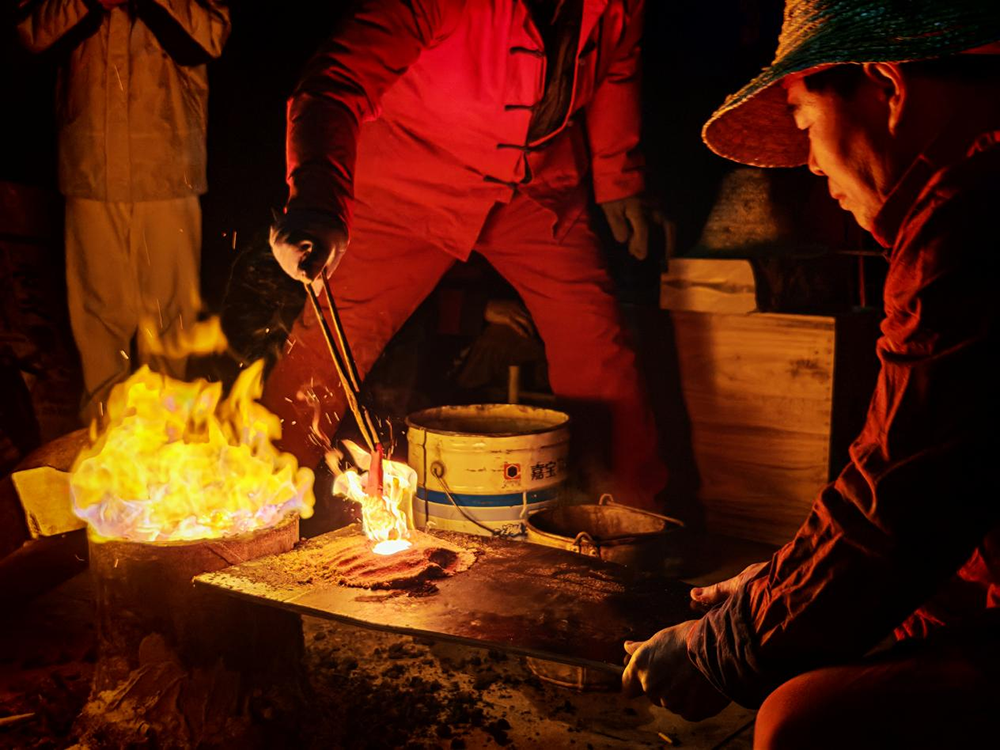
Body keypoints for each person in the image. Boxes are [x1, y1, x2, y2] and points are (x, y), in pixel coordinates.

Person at [621, 1, 1000, 746]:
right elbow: (949, 495)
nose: (814, 166)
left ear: (888, 86)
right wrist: (781, 586)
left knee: (800, 723)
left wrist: (726, 647)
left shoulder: (968, 218)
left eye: (803, 122)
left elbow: (900, 505)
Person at [264, 0, 669, 510]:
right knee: (324, 356)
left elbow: (616, 65)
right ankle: (257, 505)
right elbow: (335, 82)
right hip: (410, 181)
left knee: (597, 345)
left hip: (535, 184)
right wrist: (317, 200)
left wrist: (618, 177)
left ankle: (626, 517)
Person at [16, 0, 231, 422]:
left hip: (167, 167)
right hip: (90, 165)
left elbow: (208, 39)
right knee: (98, 319)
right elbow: (33, 35)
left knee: (170, 321)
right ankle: (103, 438)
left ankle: (166, 435)